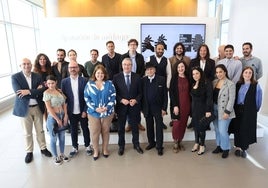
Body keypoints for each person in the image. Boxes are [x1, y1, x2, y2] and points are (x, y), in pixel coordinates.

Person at [11, 58, 52, 164]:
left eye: (28, 64)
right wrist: (34, 91)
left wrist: (28, 91)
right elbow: (19, 93)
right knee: (27, 133)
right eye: (24, 64)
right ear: (20, 65)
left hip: (37, 107)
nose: (26, 66)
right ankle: (29, 152)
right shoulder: (15, 77)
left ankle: (43, 148)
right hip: (24, 109)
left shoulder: (37, 76)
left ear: (31, 65)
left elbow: (42, 90)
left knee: (40, 130)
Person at [61, 61, 93, 158]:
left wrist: (85, 110)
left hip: (82, 110)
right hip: (71, 111)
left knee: (85, 128)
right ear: (68, 69)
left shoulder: (85, 80)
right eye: (71, 67)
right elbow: (63, 98)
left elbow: (89, 97)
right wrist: (66, 114)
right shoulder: (64, 82)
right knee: (73, 130)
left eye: (75, 67)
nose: (73, 69)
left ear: (78, 68)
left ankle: (87, 146)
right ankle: (75, 147)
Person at [84, 65, 116, 160]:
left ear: (104, 74)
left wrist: (107, 107)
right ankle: (96, 150)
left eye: (102, 73)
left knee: (105, 131)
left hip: (107, 112)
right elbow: (86, 98)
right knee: (95, 132)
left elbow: (113, 96)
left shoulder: (109, 83)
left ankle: (105, 149)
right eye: (98, 73)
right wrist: (95, 108)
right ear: (95, 73)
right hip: (93, 112)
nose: (100, 74)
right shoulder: (89, 84)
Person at [113, 58, 144, 156]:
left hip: (134, 106)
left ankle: (136, 144)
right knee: (121, 128)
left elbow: (141, 93)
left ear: (132, 66)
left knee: (135, 127)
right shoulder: (116, 77)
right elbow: (114, 93)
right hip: (121, 107)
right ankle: (121, 146)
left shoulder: (137, 77)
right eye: (125, 64)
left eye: (129, 65)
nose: (127, 66)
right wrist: (121, 100)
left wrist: (136, 100)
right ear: (122, 66)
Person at [231, 66, 262, 158]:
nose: (247, 74)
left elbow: (258, 100)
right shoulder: (238, 84)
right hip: (238, 109)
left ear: (252, 75)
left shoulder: (256, 85)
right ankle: (237, 147)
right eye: (246, 72)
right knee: (238, 128)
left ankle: (244, 148)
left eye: (250, 73)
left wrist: (254, 110)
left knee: (245, 128)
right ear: (242, 74)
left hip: (249, 110)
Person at [141, 62, 168, 156]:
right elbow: (141, 96)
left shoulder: (161, 79)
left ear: (155, 70)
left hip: (158, 108)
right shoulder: (143, 80)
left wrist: (164, 108)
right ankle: (151, 143)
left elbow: (165, 95)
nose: (149, 71)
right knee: (149, 127)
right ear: (146, 71)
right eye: (147, 69)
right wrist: (142, 108)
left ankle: (159, 146)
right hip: (147, 108)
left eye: (151, 69)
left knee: (159, 127)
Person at [43, 75, 70, 165]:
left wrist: (66, 115)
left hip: (62, 115)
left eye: (52, 83)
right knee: (53, 138)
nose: (51, 85)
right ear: (46, 84)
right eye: (49, 83)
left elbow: (64, 104)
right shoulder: (46, 93)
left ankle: (62, 154)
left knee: (62, 137)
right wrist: (57, 119)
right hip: (53, 117)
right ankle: (55, 156)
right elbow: (49, 108)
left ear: (56, 83)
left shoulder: (59, 92)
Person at [121, 39, 146, 131]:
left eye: (134, 44)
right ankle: (129, 124)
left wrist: (138, 78)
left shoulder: (140, 56)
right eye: (131, 44)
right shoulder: (123, 56)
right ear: (128, 46)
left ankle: (138, 122)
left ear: (136, 46)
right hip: (126, 80)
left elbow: (143, 69)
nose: (133, 46)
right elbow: (121, 68)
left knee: (136, 102)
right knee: (127, 102)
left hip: (137, 80)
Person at [212, 64, 236, 158]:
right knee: (217, 130)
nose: (219, 74)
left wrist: (227, 112)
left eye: (220, 72)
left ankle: (226, 148)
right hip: (214, 109)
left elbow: (232, 99)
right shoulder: (214, 82)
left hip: (224, 111)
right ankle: (219, 146)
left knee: (222, 130)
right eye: (217, 72)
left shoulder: (230, 84)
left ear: (225, 72)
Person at [190, 66, 213, 155]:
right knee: (196, 127)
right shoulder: (193, 83)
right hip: (194, 108)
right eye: (193, 74)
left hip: (203, 109)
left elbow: (209, 97)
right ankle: (196, 143)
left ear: (201, 73)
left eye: (197, 73)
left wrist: (208, 110)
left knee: (201, 128)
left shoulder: (207, 83)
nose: (195, 75)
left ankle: (202, 145)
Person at [169, 60, 191, 153]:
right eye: (179, 67)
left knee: (183, 124)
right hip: (177, 105)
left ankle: (180, 141)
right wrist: (175, 105)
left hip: (186, 104)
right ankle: (175, 142)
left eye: (182, 67)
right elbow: (172, 93)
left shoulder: (189, 78)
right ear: (176, 69)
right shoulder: (174, 78)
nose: (180, 69)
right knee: (176, 124)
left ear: (185, 68)